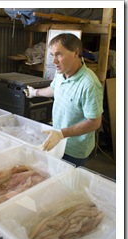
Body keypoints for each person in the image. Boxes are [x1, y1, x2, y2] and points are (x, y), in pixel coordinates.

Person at [24, 33, 103, 167]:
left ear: (75, 53)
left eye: (59, 54)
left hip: (74, 149)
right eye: (52, 55)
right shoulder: (62, 73)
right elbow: (54, 88)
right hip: (57, 140)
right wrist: (35, 92)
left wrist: (62, 133)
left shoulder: (89, 84)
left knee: (67, 183)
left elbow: (94, 122)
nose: (54, 61)